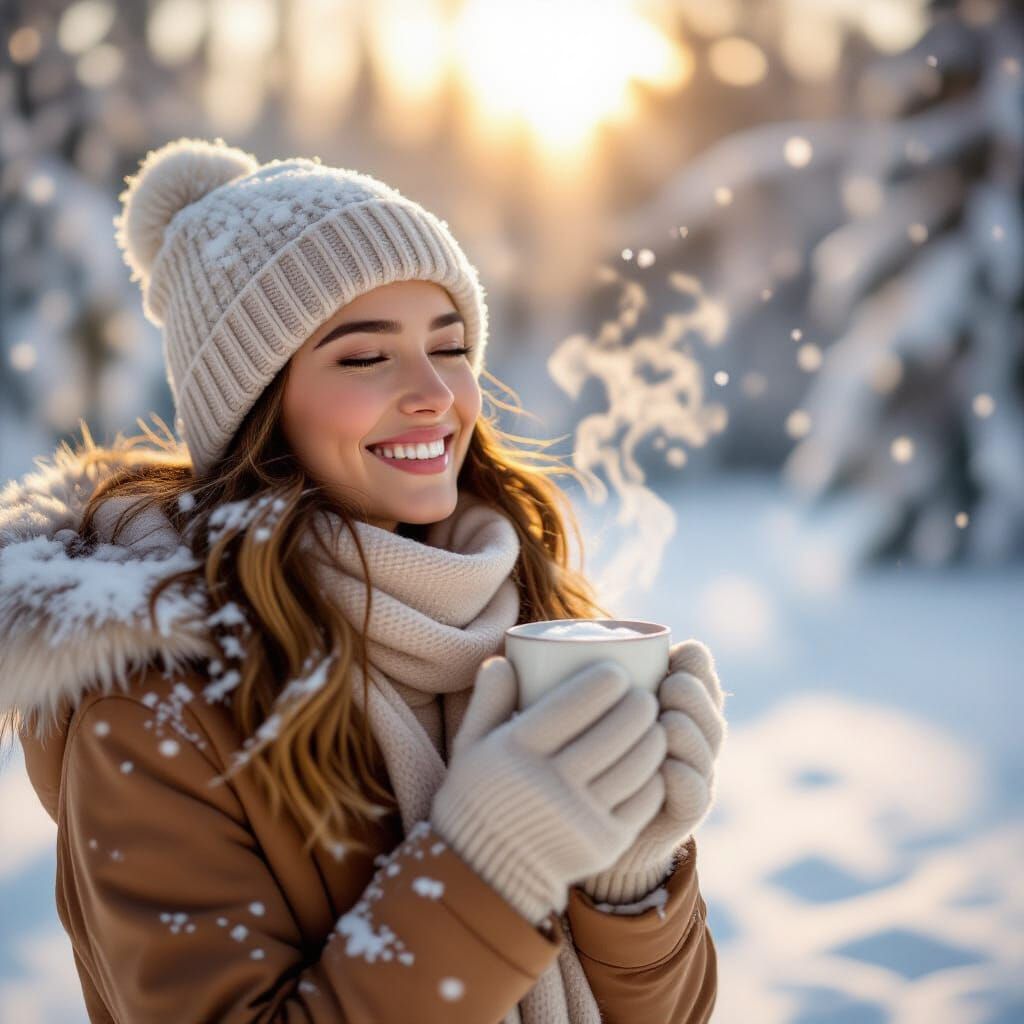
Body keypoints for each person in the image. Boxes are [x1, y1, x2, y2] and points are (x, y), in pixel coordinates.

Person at [0, 138, 727, 1023]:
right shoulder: (163, 709)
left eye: (450, 346)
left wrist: (628, 885)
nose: (434, 394)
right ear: (257, 408)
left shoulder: (517, 615)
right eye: (363, 357)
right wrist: (491, 867)